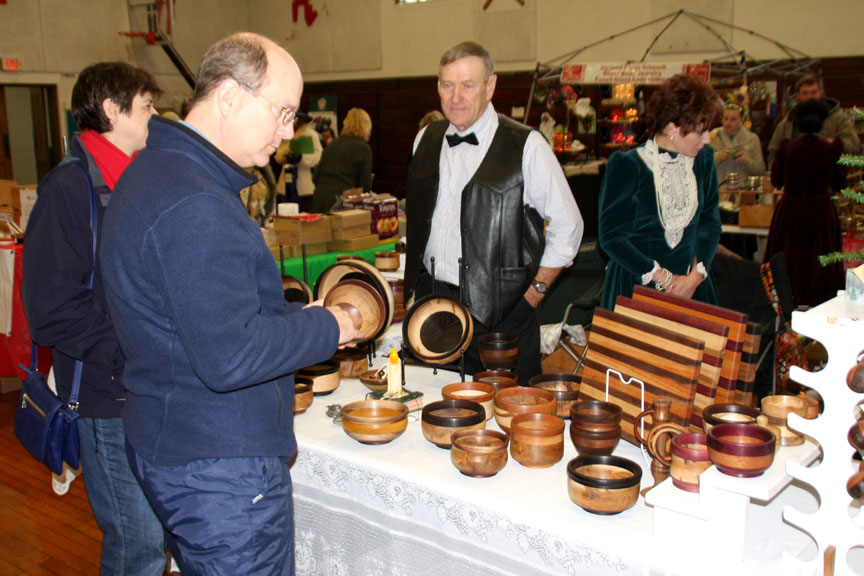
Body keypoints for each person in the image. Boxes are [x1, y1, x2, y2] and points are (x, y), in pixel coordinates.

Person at [100, 33, 358, 575]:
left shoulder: (153, 171)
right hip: (217, 466)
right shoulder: (195, 201)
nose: (289, 134)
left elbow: (186, 321)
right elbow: (231, 356)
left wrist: (297, 319)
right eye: (283, 112)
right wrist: (331, 325)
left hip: (174, 440)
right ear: (229, 97)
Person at [21, 62, 166, 576]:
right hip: (107, 399)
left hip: (144, 390)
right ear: (111, 110)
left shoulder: (133, 181)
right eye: (146, 106)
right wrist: (136, 346)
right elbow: (50, 313)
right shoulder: (69, 188)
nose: (155, 115)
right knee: (137, 545)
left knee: (153, 539)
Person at [404, 41, 583, 385]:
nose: (456, 96)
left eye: (468, 85)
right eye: (447, 85)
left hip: (505, 310)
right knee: (437, 406)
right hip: (434, 305)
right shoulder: (425, 138)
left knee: (510, 420)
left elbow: (568, 226)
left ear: (490, 86)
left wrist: (534, 296)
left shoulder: (527, 146)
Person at [598, 73, 722, 310]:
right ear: (672, 127)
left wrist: (694, 277)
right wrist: (666, 279)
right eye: (700, 131)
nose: (707, 139)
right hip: (636, 286)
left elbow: (709, 224)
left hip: (693, 286)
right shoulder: (627, 165)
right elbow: (611, 237)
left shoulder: (704, 160)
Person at [765, 99, 847, 307]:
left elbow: (776, 180)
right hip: (820, 213)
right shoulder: (831, 150)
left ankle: (785, 305)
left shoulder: (788, 149)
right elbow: (839, 183)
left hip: (789, 212)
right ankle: (819, 306)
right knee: (819, 261)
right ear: (822, 124)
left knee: (788, 260)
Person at [767, 74, 860, 166]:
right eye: (805, 93)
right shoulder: (787, 123)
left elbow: (854, 145)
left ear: (820, 93)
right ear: (797, 96)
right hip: (795, 177)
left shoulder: (839, 119)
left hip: (828, 176)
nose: (810, 97)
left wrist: (834, 144)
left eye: (813, 92)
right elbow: (773, 152)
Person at [312, 107, 373, 212]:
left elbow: (315, 177)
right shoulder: (363, 148)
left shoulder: (332, 144)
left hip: (320, 199)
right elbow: (365, 186)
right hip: (342, 204)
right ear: (366, 126)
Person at [275, 113, 322, 212]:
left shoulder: (310, 134)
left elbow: (319, 156)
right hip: (287, 183)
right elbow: (278, 155)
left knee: (304, 213)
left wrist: (301, 158)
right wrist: (286, 155)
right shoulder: (285, 133)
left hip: (304, 185)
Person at [710, 102, 766, 185]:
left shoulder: (752, 139)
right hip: (719, 190)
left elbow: (761, 171)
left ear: (742, 119)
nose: (728, 123)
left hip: (744, 190)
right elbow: (701, 167)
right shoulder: (712, 137)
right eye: (725, 118)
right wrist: (717, 157)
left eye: (733, 119)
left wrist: (746, 161)